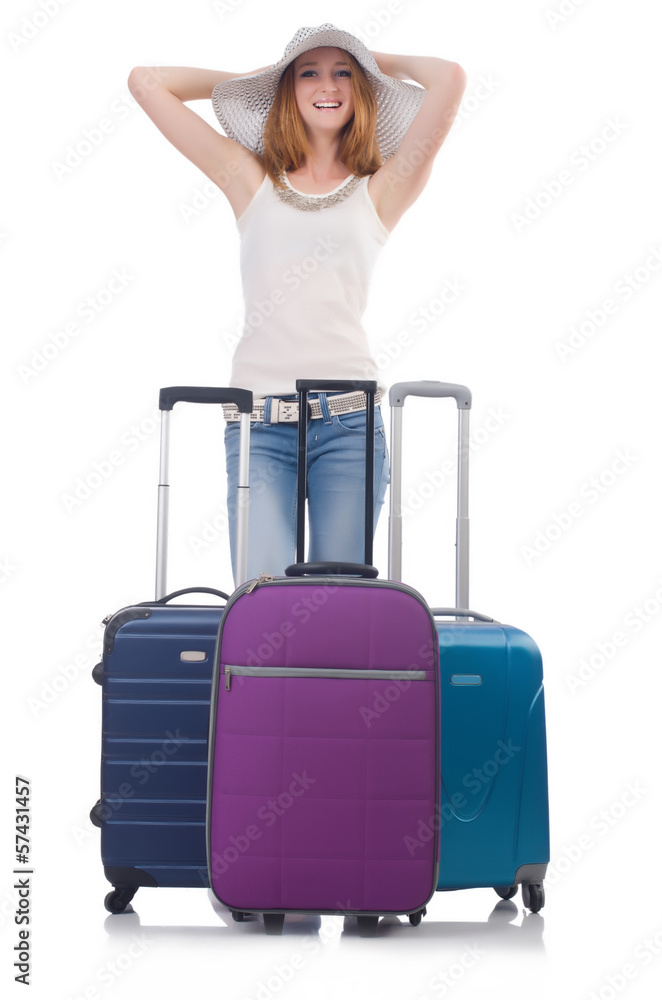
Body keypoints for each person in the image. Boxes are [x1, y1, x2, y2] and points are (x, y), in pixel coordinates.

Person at [128, 23, 466, 582]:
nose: (326, 84)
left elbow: (449, 79)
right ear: (288, 92)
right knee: (260, 601)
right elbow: (145, 83)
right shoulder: (248, 178)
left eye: (342, 74)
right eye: (309, 72)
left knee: (337, 604)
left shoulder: (382, 187)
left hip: (350, 425)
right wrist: (261, 81)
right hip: (259, 425)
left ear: (361, 90)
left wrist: (375, 60)